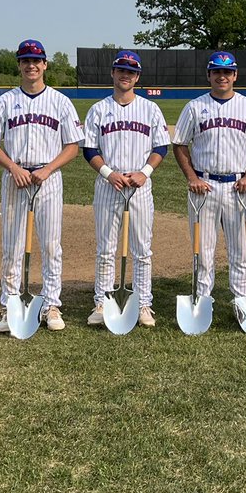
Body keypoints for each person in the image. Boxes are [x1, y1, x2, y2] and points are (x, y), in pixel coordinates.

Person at [0, 39, 82, 332]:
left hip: (48, 179)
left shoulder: (60, 101)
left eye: (36, 60)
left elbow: (73, 145)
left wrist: (49, 168)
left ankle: (51, 304)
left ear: (45, 65)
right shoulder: (5, 101)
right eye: (26, 60)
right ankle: (9, 304)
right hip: (15, 177)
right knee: (12, 245)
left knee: (51, 244)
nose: (31, 65)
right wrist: (12, 167)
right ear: (19, 65)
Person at [172, 51, 246, 312]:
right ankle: (202, 302)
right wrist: (192, 177)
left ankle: (242, 302)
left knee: (241, 250)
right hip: (204, 186)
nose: (222, 76)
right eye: (217, 71)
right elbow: (179, 143)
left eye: (227, 72)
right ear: (209, 75)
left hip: (239, 186)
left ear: (235, 75)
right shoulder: (194, 106)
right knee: (202, 252)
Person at [82, 50, 170, 326]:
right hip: (109, 185)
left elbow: (160, 146)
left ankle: (144, 304)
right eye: (121, 70)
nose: (125, 75)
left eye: (131, 72)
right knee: (106, 247)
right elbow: (89, 149)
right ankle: (102, 301)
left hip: (140, 186)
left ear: (137, 77)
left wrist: (145, 172)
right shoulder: (98, 109)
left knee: (142, 248)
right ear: (113, 73)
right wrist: (108, 173)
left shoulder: (150, 109)